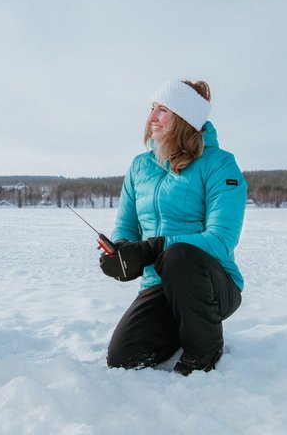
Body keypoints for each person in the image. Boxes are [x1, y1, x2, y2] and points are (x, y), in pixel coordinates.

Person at [100, 79, 246, 375]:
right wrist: (122, 252)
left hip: (212, 285)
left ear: (184, 119)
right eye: (152, 108)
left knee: (179, 254)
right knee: (124, 357)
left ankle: (204, 349)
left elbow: (220, 239)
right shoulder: (140, 166)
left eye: (162, 110)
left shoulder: (219, 165)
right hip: (159, 285)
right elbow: (126, 224)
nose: (152, 117)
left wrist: (152, 248)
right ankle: (183, 325)